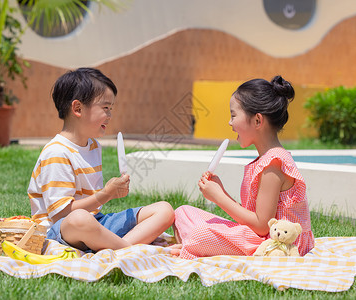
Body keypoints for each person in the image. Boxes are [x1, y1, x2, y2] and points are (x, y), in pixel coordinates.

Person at [28, 68, 175, 252]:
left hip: (96, 223)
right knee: (80, 219)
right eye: (106, 108)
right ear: (78, 108)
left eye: (111, 109)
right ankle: (130, 250)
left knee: (164, 210)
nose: (110, 115)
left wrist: (109, 194)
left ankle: (120, 247)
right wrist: (105, 194)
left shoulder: (93, 146)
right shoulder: (57, 152)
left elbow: (93, 212)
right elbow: (61, 214)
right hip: (60, 231)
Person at [173, 75, 315, 259]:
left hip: (277, 243)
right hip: (257, 235)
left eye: (233, 115)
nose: (230, 123)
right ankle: (195, 245)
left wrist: (219, 197)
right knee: (182, 212)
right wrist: (221, 192)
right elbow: (253, 218)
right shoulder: (266, 159)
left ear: (257, 121)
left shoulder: (274, 164)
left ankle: (194, 245)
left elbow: (263, 225)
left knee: (199, 234)